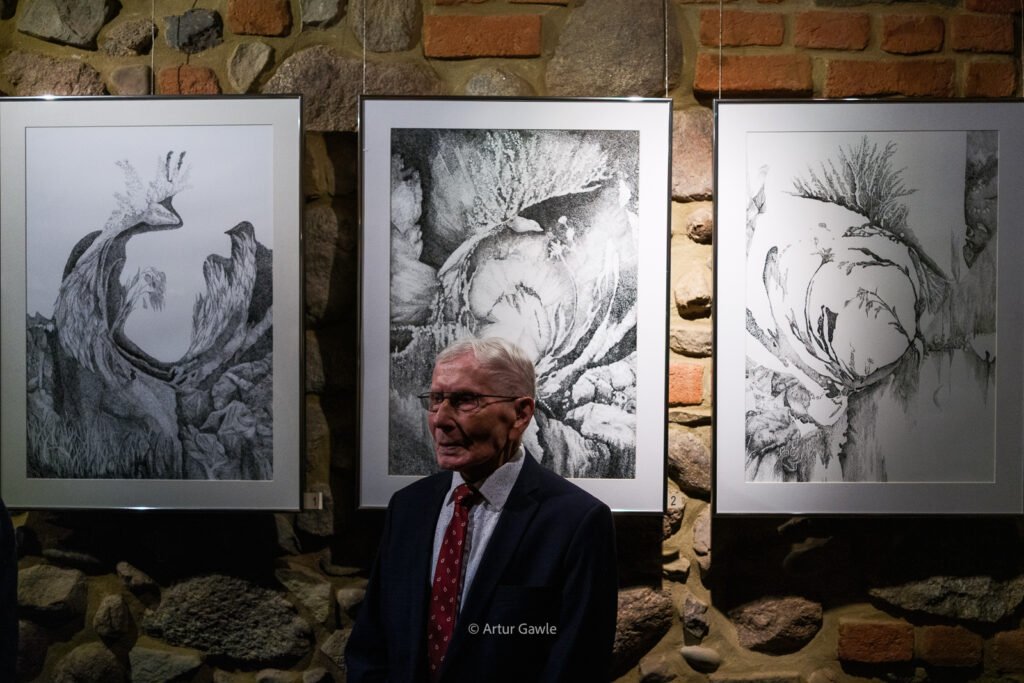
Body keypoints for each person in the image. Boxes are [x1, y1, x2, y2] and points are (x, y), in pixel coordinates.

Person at [347, 337, 618, 682]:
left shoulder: (576, 522)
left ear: (521, 414)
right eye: (436, 399)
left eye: (465, 400)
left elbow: (576, 665)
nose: (440, 419)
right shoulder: (408, 507)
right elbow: (371, 644)